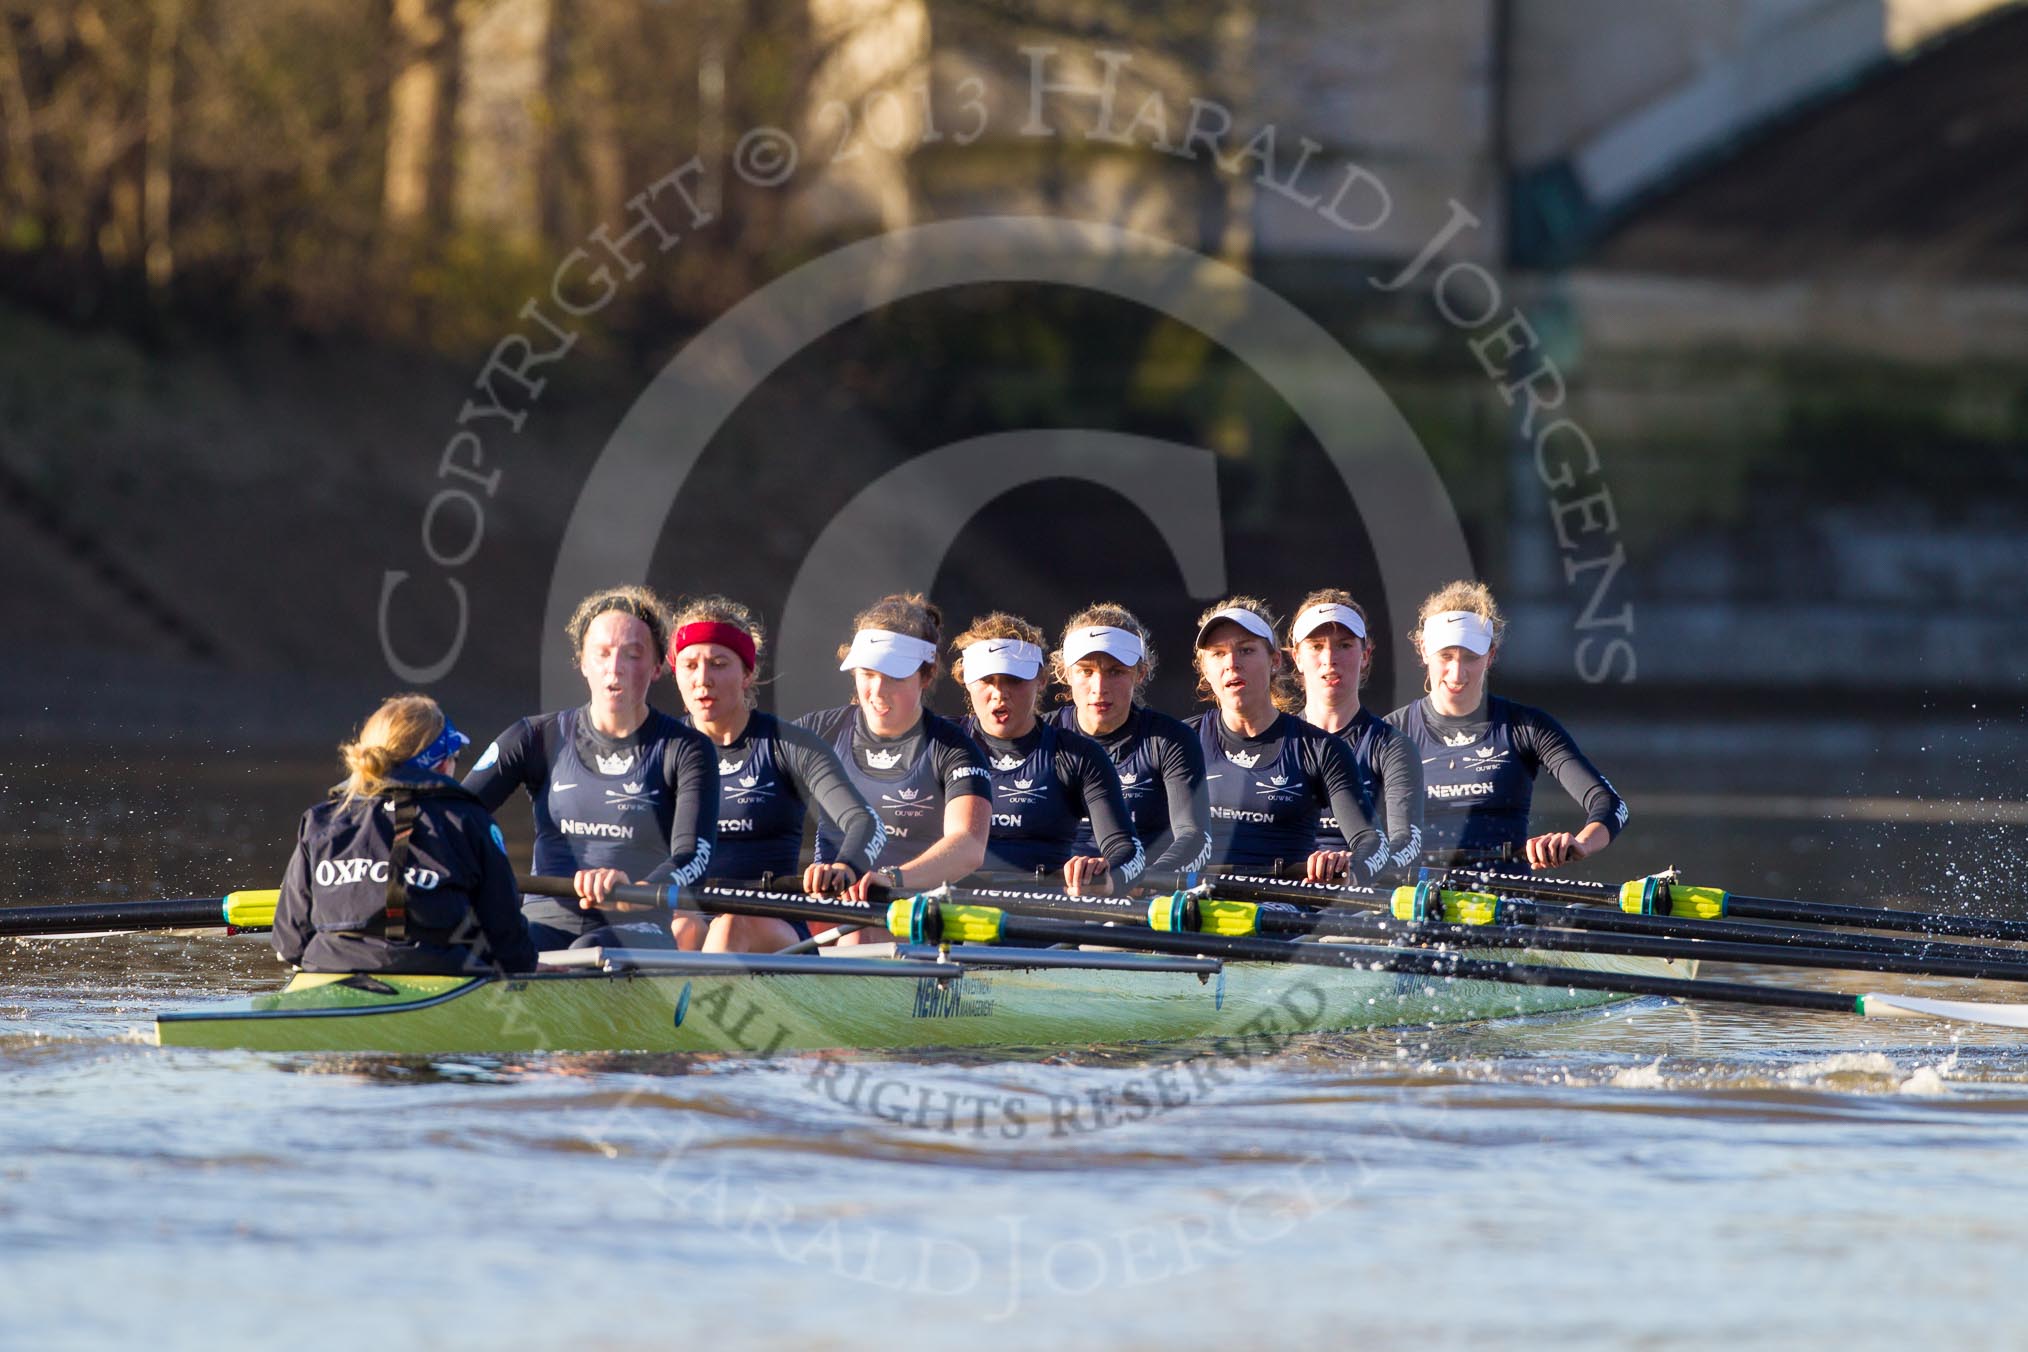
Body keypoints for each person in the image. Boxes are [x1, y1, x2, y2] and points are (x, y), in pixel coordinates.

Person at [465, 585, 719, 950]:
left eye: (632, 655)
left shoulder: (687, 750)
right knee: (491, 947)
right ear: (583, 662)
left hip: (639, 923)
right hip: (545, 920)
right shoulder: (534, 737)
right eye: (602, 654)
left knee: (587, 953)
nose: (614, 669)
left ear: (658, 666)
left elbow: (693, 858)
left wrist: (638, 891)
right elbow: (453, 814)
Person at [666, 595, 884, 952]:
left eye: (719, 664)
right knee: (681, 930)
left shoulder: (789, 745)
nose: (702, 679)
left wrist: (845, 866)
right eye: (690, 665)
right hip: (690, 920)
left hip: (774, 926)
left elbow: (866, 822)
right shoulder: (662, 749)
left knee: (729, 928)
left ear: (748, 674)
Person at [274, 694, 536, 975]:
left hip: (328, 969)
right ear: (441, 763)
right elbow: (510, 948)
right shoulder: (468, 820)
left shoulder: (321, 820)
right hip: (440, 975)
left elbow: (290, 942)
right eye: (455, 758)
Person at [1385, 580, 1628, 870]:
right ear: (1424, 650)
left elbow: (1611, 804)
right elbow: (1337, 820)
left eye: (1471, 658)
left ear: (1491, 656)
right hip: (1415, 905)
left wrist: (1582, 843)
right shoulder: (1390, 735)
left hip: (1504, 904)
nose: (1457, 672)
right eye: (1446, 656)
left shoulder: (1526, 727)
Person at [797, 593, 990, 942]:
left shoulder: (953, 748)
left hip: (911, 913)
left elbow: (969, 846)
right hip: (826, 912)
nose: (877, 690)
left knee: (860, 932)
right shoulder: (819, 731)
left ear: (926, 676)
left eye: (894, 677)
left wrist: (892, 878)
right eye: (868, 674)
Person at [1184, 596, 1392, 882]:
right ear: (1205, 669)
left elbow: (1374, 843)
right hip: (1194, 902)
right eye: (1218, 654)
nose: (1232, 663)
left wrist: (1349, 867)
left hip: (1283, 909)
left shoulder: (1321, 749)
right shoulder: (1179, 744)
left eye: (1246, 650)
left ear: (1275, 660)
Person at [950, 612, 1145, 893]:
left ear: (1041, 679)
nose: (999, 693)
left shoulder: (1078, 755)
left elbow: (1128, 850)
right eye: (986, 680)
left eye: (1013, 680)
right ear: (965, 680)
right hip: (947, 918)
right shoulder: (943, 743)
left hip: (1042, 923)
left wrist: (1104, 877)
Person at [1047, 604, 1212, 882]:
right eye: (1086, 671)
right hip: (1050, 897)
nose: (1099, 687)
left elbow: (1195, 838)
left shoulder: (1171, 740)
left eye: (1116, 671)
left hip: (1139, 901)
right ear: (1065, 674)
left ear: (1141, 673)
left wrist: (1141, 880)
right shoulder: (1041, 737)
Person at [1287, 589, 1424, 875]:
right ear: (1296, 657)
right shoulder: (1277, 742)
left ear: (1366, 655)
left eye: (1344, 645)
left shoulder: (1391, 746)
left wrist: (1357, 864)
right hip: (1282, 891)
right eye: (1315, 646)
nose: (1329, 659)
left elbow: (1408, 844)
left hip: (1358, 902)